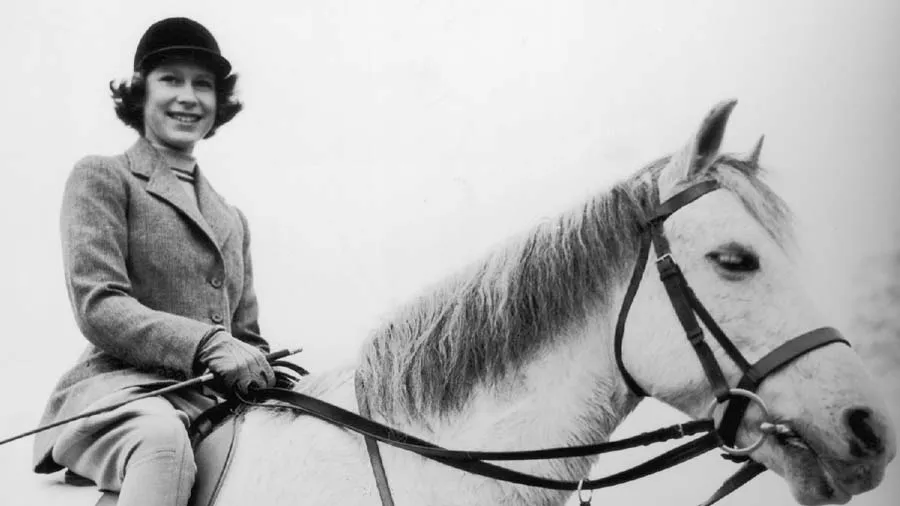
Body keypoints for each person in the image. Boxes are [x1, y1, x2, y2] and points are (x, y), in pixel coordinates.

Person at [32, 17, 275, 506]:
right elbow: (99, 303)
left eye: (202, 84)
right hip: (123, 394)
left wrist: (264, 369)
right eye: (171, 80)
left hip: (210, 401)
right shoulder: (104, 176)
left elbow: (245, 338)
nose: (188, 96)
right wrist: (208, 344)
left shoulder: (233, 219)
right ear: (141, 92)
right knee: (163, 444)